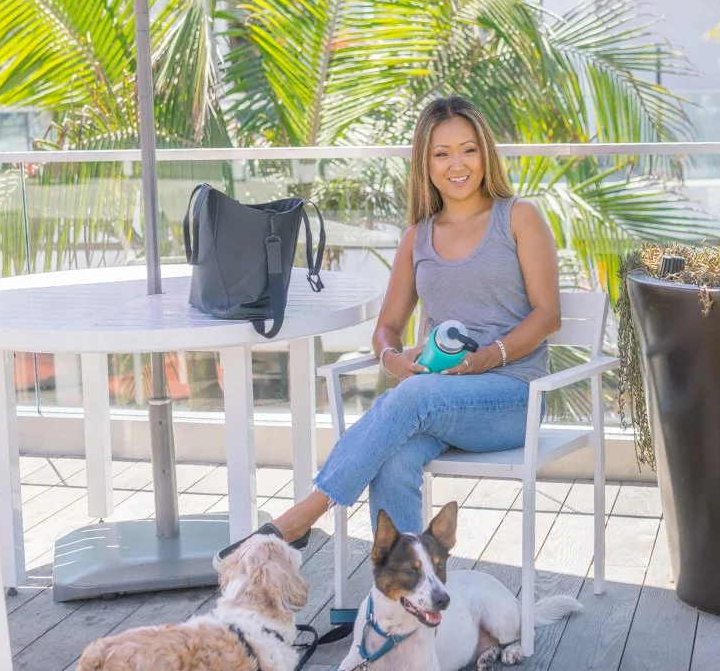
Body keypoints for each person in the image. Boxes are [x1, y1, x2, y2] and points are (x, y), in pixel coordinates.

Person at [218, 95, 561, 558]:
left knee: (415, 398)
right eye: (441, 153)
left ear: (485, 153)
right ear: (425, 162)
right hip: (439, 400)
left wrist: (489, 356)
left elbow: (548, 315)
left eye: (468, 149)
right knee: (394, 458)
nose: (456, 164)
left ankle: (303, 516)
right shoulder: (416, 237)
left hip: (515, 397)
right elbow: (388, 327)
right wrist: (392, 359)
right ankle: (403, 603)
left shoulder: (518, 217)